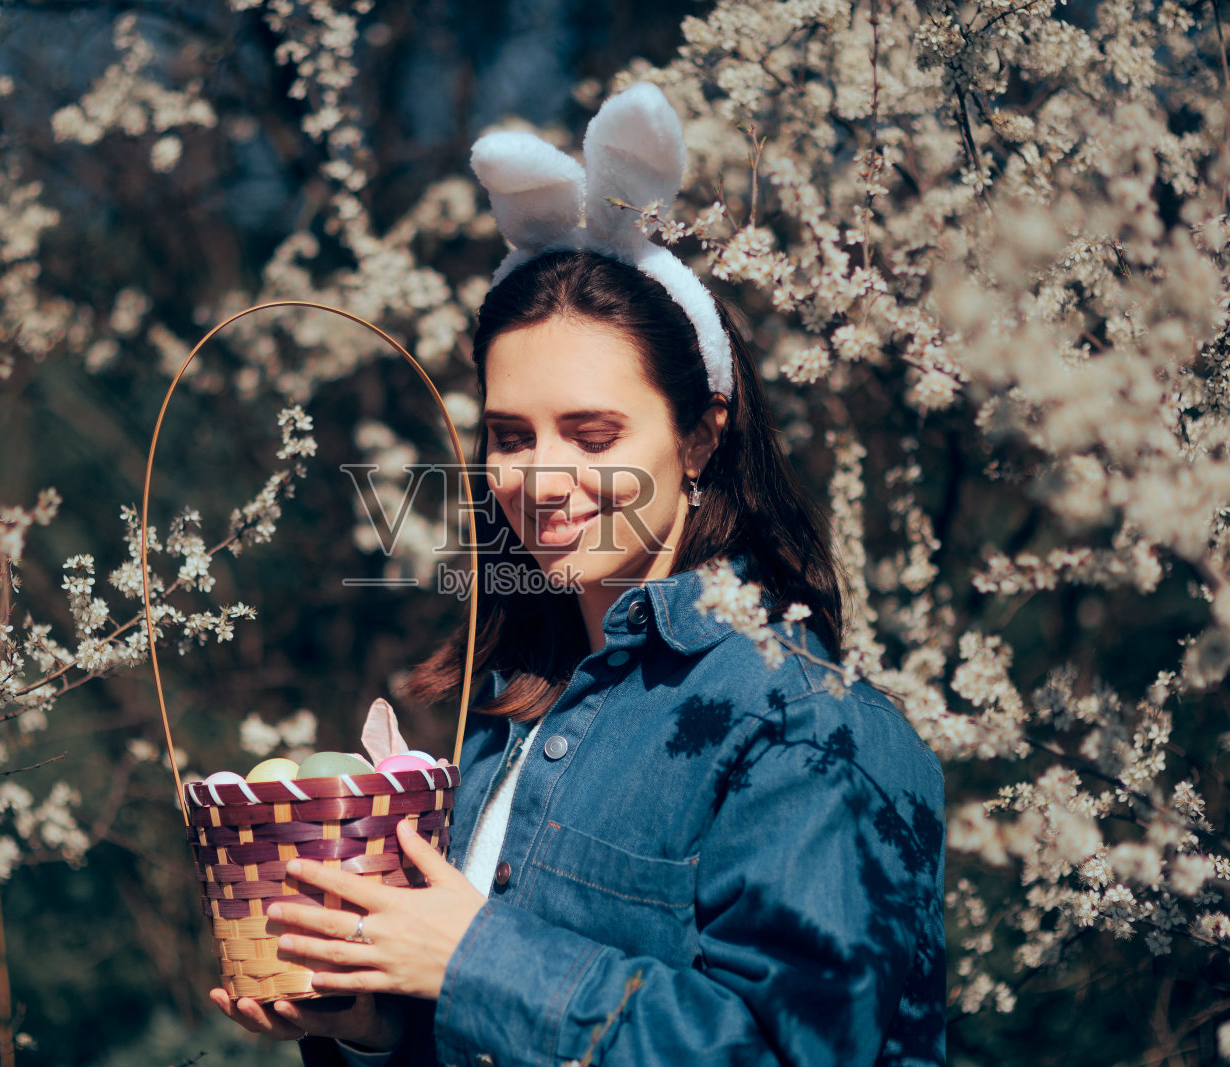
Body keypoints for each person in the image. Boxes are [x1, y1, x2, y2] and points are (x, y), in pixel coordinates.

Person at [210, 83, 945, 1066]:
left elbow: (784, 1052)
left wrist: (472, 958)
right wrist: (376, 1026)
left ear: (699, 435)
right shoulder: (514, 700)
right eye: (510, 436)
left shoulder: (804, 723)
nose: (541, 480)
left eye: (593, 433)